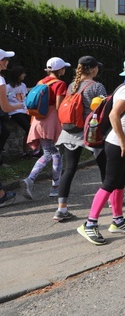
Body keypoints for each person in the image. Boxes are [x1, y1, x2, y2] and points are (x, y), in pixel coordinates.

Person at [76, 56, 125, 245]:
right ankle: (89, 224)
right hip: (116, 143)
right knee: (109, 183)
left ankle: (117, 220)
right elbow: (114, 115)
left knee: (120, 182)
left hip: (123, 143)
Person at [53, 56, 107, 222]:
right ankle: (113, 201)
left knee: (69, 170)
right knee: (105, 167)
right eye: (96, 67)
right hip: (90, 133)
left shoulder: (72, 86)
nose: (98, 69)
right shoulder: (97, 86)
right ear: (92, 69)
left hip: (69, 132)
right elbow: (104, 110)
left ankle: (61, 209)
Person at [23, 57, 70, 200]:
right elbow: (59, 106)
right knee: (53, 154)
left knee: (50, 153)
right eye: (63, 68)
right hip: (52, 121)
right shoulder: (60, 84)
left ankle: (53, 187)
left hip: (38, 120)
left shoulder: (41, 82)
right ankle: (35, 181)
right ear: (60, 69)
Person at [0, 49, 23, 207]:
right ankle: (1, 195)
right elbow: (6, 107)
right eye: (6, 59)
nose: (7, 62)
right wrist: (19, 105)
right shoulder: (0, 80)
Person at [2, 66, 33, 157]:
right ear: (18, 75)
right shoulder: (7, 87)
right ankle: (25, 151)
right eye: (23, 73)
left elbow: (25, 97)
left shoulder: (23, 85)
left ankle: (29, 150)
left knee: (31, 128)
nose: (25, 75)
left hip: (24, 110)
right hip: (14, 112)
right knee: (28, 128)